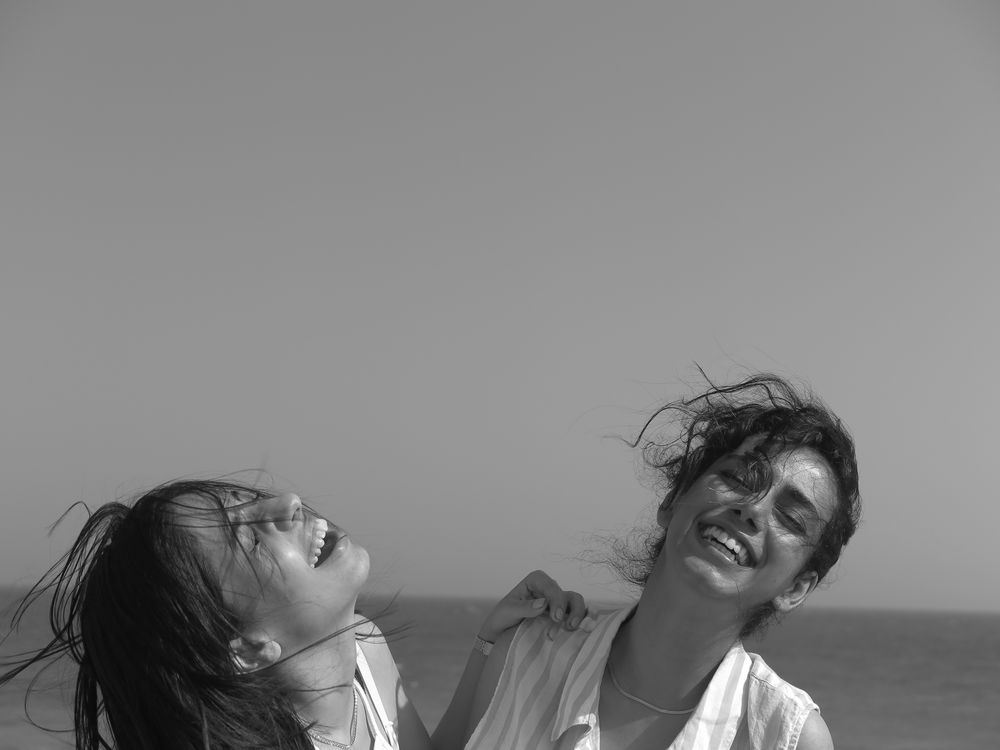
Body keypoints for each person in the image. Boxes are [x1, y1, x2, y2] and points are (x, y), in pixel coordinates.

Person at [1, 479, 588, 750]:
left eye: (252, 500)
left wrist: (492, 641)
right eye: (250, 539)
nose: (288, 502)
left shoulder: (364, 647)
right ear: (248, 648)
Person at [464, 374, 861, 750]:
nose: (752, 509)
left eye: (790, 518)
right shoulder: (529, 652)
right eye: (739, 479)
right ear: (673, 500)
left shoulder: (784, 736)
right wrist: (488, 643)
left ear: (795, 588)